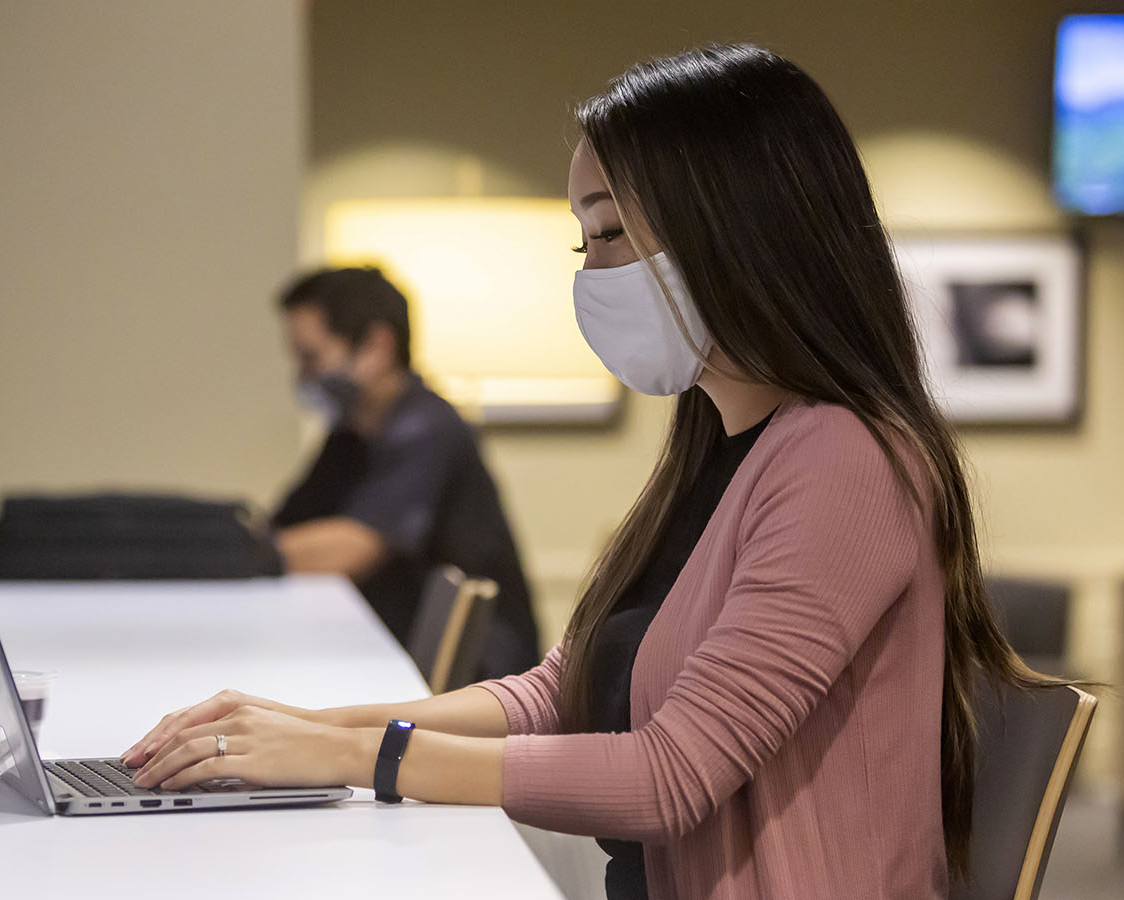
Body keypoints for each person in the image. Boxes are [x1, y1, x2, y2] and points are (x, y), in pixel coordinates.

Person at [121, 44, 1056, 900]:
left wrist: (356, 755)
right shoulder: (724, 442)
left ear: (732, 231)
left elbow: (668, 777)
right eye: (586, 241)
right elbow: (564, 693)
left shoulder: (847, 458)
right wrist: (306, 729)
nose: (590, 270)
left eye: (608, 235)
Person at [268, 266, 540, 680]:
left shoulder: (428, 429)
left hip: (474, 680)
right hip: (390, 652)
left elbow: (352, 548)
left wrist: (235, 554)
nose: (305, 377)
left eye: (312, 357)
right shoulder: (352, 432)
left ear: (376, 346)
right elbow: (287, 524)